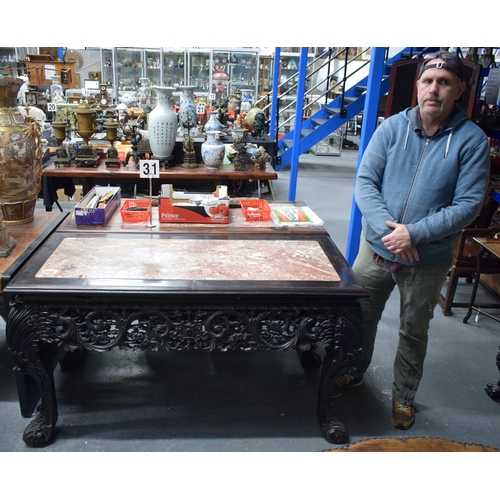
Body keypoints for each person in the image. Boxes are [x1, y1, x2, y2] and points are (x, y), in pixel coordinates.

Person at [344, 51, 491, 430]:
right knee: (360, 316)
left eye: (444, 82)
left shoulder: (471, 141)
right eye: (428, 81)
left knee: (413, 329)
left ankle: (404, 397)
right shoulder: (392, 128)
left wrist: (416, 234)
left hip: (428, 259)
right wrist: (394, 234)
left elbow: (469, 204)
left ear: (458, 89)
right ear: (418, 85)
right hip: (376, 250)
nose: (434, 89)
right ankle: (353, 372)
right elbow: (365, 183)